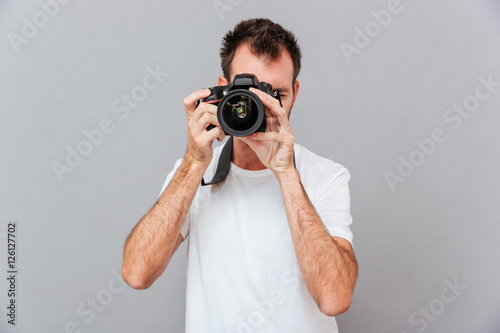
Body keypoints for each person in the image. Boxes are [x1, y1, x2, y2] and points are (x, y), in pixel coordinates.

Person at [121, 18, 358, 332]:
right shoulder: (194, 175)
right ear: (223, 88)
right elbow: (137, 274)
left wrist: (286, 173)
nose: (262, 108)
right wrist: (194, 162)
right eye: (250, 92)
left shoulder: (327, 177)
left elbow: (334, 299)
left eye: (277, 95)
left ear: (295, 93)